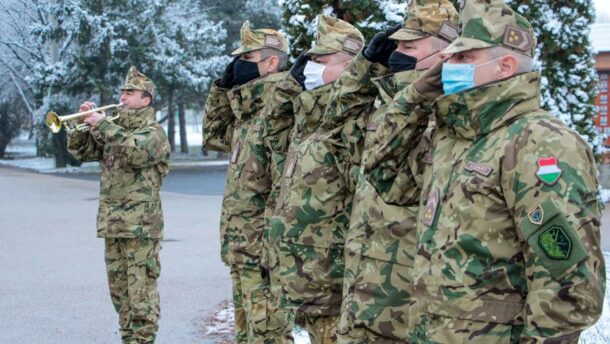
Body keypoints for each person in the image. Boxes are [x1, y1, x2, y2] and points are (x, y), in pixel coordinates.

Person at [367, 0, 606, 342]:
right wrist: (416, 95)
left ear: (505, 65)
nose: (448, 65)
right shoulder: (454, 138)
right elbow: (384, 175)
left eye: (463, 57)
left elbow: (568, 286)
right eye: (448, 57)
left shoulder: (538, 141)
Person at [323, 1, 459, 343]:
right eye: (396, 45)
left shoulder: (448, 113)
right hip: (362, 292)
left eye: (409, 47)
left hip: (404, 304)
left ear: (444, 55)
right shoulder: (384, 105)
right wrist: (365, 64)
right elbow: (333, 118)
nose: (397, 53)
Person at [265, 14, 365, 344]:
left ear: (351, 65)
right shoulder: (309, 116)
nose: (310, 68)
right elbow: (272, 132)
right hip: (306, 278)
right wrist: (289, 86)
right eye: (309, 60)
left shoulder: (356, 117)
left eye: (321, 61)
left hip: (335, 281)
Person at [202, 20, 295, 344]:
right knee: (246, 335)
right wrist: (221, 89)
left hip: (263, 252)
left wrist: (272, 250)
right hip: (242, 247)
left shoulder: (281, 111)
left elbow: (286, 189)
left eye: (246, 58)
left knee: (268, 334)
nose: (238, 66)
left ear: (271, 62)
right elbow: (213, 136)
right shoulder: (249, 113)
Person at [67, 66, 170, 344]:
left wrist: (102, 124)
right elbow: (82, 152)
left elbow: (135, 151)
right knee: (120, 294)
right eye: (122, 91)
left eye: (130, 92)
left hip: (140, 228)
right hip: (113, 224)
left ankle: (143, 340)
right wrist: (79, 127)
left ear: (145, 99)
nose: (122, 97)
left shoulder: (154, 133)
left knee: (141, 295)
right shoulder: (114, 130)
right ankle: (128, 339)